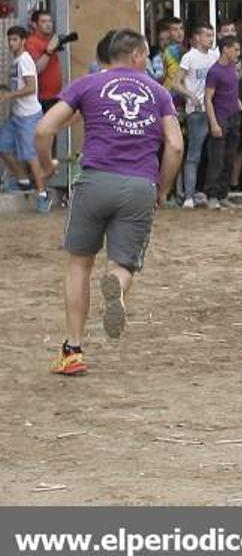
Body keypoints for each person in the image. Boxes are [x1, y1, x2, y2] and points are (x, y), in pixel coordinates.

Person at [35, 29, 182, 376]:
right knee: (122, 264)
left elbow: (44, 129)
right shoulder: (159, 92)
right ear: (135, 55)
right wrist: (162, 189)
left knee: (78, 264)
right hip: (139, 184)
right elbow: (175, 146)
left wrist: (46, 167)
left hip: (94, 181)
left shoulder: (88, 85)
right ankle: (116, 285)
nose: (147, 61)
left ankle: (72, 350)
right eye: (146, 55)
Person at [1, 26, 49, 211]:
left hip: (29, 117)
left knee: (30, 155)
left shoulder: (25, 60)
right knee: (3, 146)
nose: (11, 43)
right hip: (16, 116)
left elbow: (31, 88)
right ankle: (22, 181)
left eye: (15, 39)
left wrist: (9, 96)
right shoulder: (16, 61)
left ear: (23, 41)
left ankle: (42, 195)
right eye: (9, 40)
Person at [171, 22, 216, 208]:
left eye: (212, 35)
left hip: (213, 109)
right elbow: (175, 83)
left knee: (212, 154)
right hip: (196, 111)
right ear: (197, 37)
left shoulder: (214, 56)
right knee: (194, 154)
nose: (211, 39)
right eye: (207, 35)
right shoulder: (189, 57)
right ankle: (188, 195)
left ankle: (205, 192)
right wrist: (190, 96)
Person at [203, 35, 242, 210]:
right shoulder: (215, 71)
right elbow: (208, 98)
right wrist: (213, 123)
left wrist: (237, 102)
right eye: (235, 49)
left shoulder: (232, 67)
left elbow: (232, 88)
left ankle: (223, 194)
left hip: (234, 116)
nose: (237, 53)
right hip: (221, 117)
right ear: (225, 49)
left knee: (229, 157)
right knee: (217, 158)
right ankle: (212, 195)